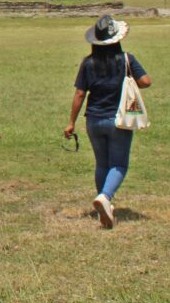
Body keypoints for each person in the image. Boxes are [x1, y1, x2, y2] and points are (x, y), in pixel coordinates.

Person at [63, 15, 153, 230]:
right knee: (119, 163)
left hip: (94, 119)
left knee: (102, 163)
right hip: (119, 118)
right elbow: (146, 82)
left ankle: (104, 206)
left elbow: (79, 94)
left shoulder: (88, 63)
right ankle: (105, 196)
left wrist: (71, 123)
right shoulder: (126, 59)